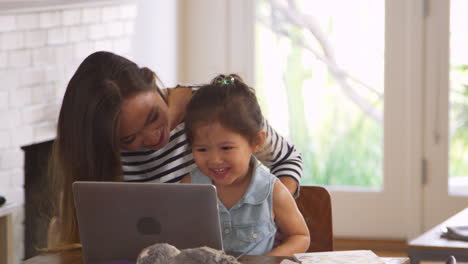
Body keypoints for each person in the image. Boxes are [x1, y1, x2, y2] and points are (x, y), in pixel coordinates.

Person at [47, 51, 304, 249]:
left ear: (151, 82)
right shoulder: (104, 155)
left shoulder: (214, 110)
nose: (152, 138)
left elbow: (287, 158)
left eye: (152, 117)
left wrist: (271, 208)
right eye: (129, 138)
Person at [180, 74, 310, 256]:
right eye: (202, 149)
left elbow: (300, 236)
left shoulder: (273, 190)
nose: (214, 159)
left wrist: (268, 260)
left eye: (226, 147)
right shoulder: (189, 187)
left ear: (256, 142)